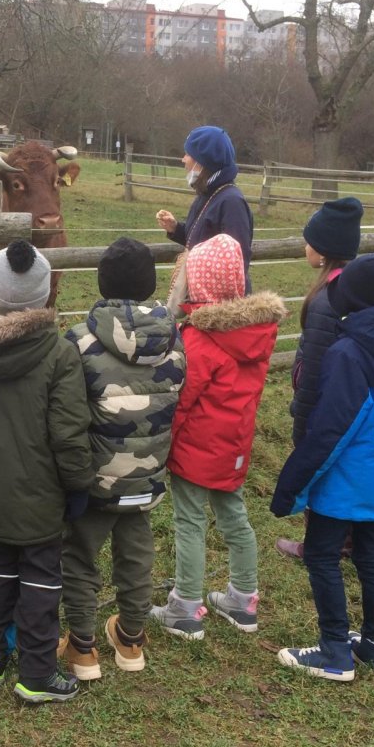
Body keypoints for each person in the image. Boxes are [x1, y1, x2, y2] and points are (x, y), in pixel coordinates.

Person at [271, 253, 374, 681]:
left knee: (322, 555)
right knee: (372, 555)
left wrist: (294, 483)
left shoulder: (349, 353)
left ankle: (334, 652)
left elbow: (332, 429)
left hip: (346, 478)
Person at [0, 240, 93, 703]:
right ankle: (37, 673)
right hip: (40, 491)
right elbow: (69, 434)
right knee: (40, 577)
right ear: (45, 292)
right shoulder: (59, 354)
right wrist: (78, 485)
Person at [59, 238, 185, 680]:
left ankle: (82, 648)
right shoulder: (175, 343)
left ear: (102, 283)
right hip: (147, 475)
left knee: (79, 556)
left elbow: (67, 411)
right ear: (149, 283)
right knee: (136, 553)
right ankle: (131, 640)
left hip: (95, 480)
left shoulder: (78, 341)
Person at [149, 235, 285, 640]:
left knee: (190, 522)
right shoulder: (256, 333)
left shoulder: (200, 338)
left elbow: (183, 400)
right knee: (234, 517)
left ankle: (186, 607)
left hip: (195, 448)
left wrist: (163, 443)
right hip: (234, 446)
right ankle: (243, 599)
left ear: (200, 282)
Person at [276, 197, 363, 560]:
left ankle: (318, 545)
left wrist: (302, 418)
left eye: (309, 241)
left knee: (319, 469)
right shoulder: (353, 288)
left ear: (324, 249)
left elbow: (313, 368)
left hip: (321, 407)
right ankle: (351, 539)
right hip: (349, 405)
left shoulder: (326, 302)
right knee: (343, 468)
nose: (305, 247)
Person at [154, 125, 254, 289]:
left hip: (219, 301)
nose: (183, 159)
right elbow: (201, 242)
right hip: (202, 296)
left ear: (203, 161)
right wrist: (176, 228)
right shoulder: (207, 194)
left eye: (188, 154)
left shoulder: (231, 203)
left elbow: (235, 264)